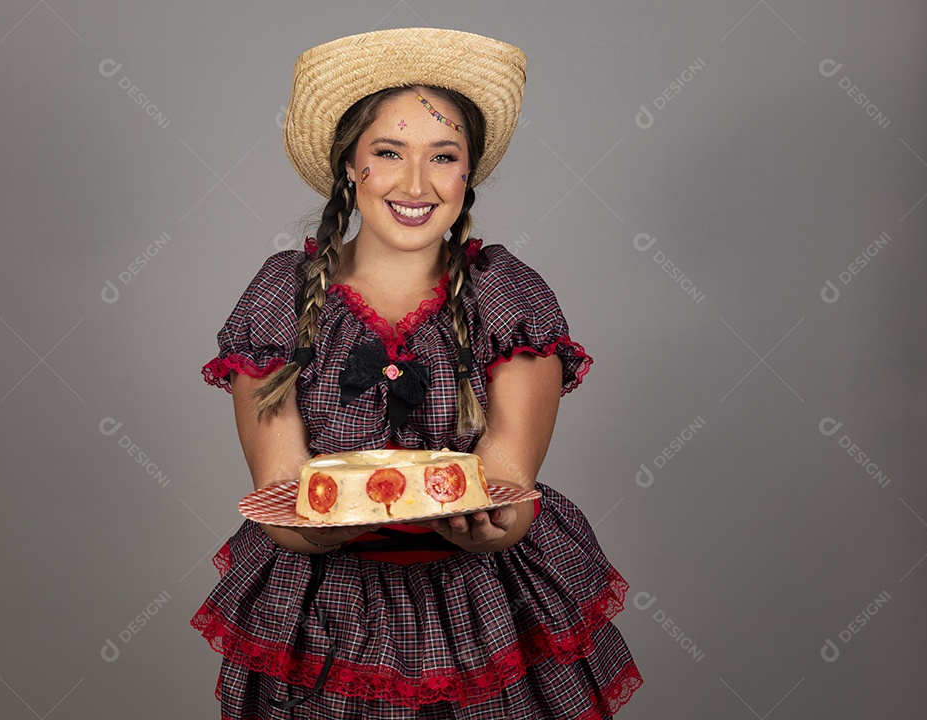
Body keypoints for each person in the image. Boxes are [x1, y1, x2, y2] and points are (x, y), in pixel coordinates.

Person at [190, 27, 642, 719]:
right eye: (389, 153)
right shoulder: (280, 298)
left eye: (444, 157)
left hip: (480, 606)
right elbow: (279, 484)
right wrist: (316, 524)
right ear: (350, 165)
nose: (416, 184)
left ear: (469, 174)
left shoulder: (507, 298)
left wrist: (494, 520)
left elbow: (508, 481)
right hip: (326, 615)